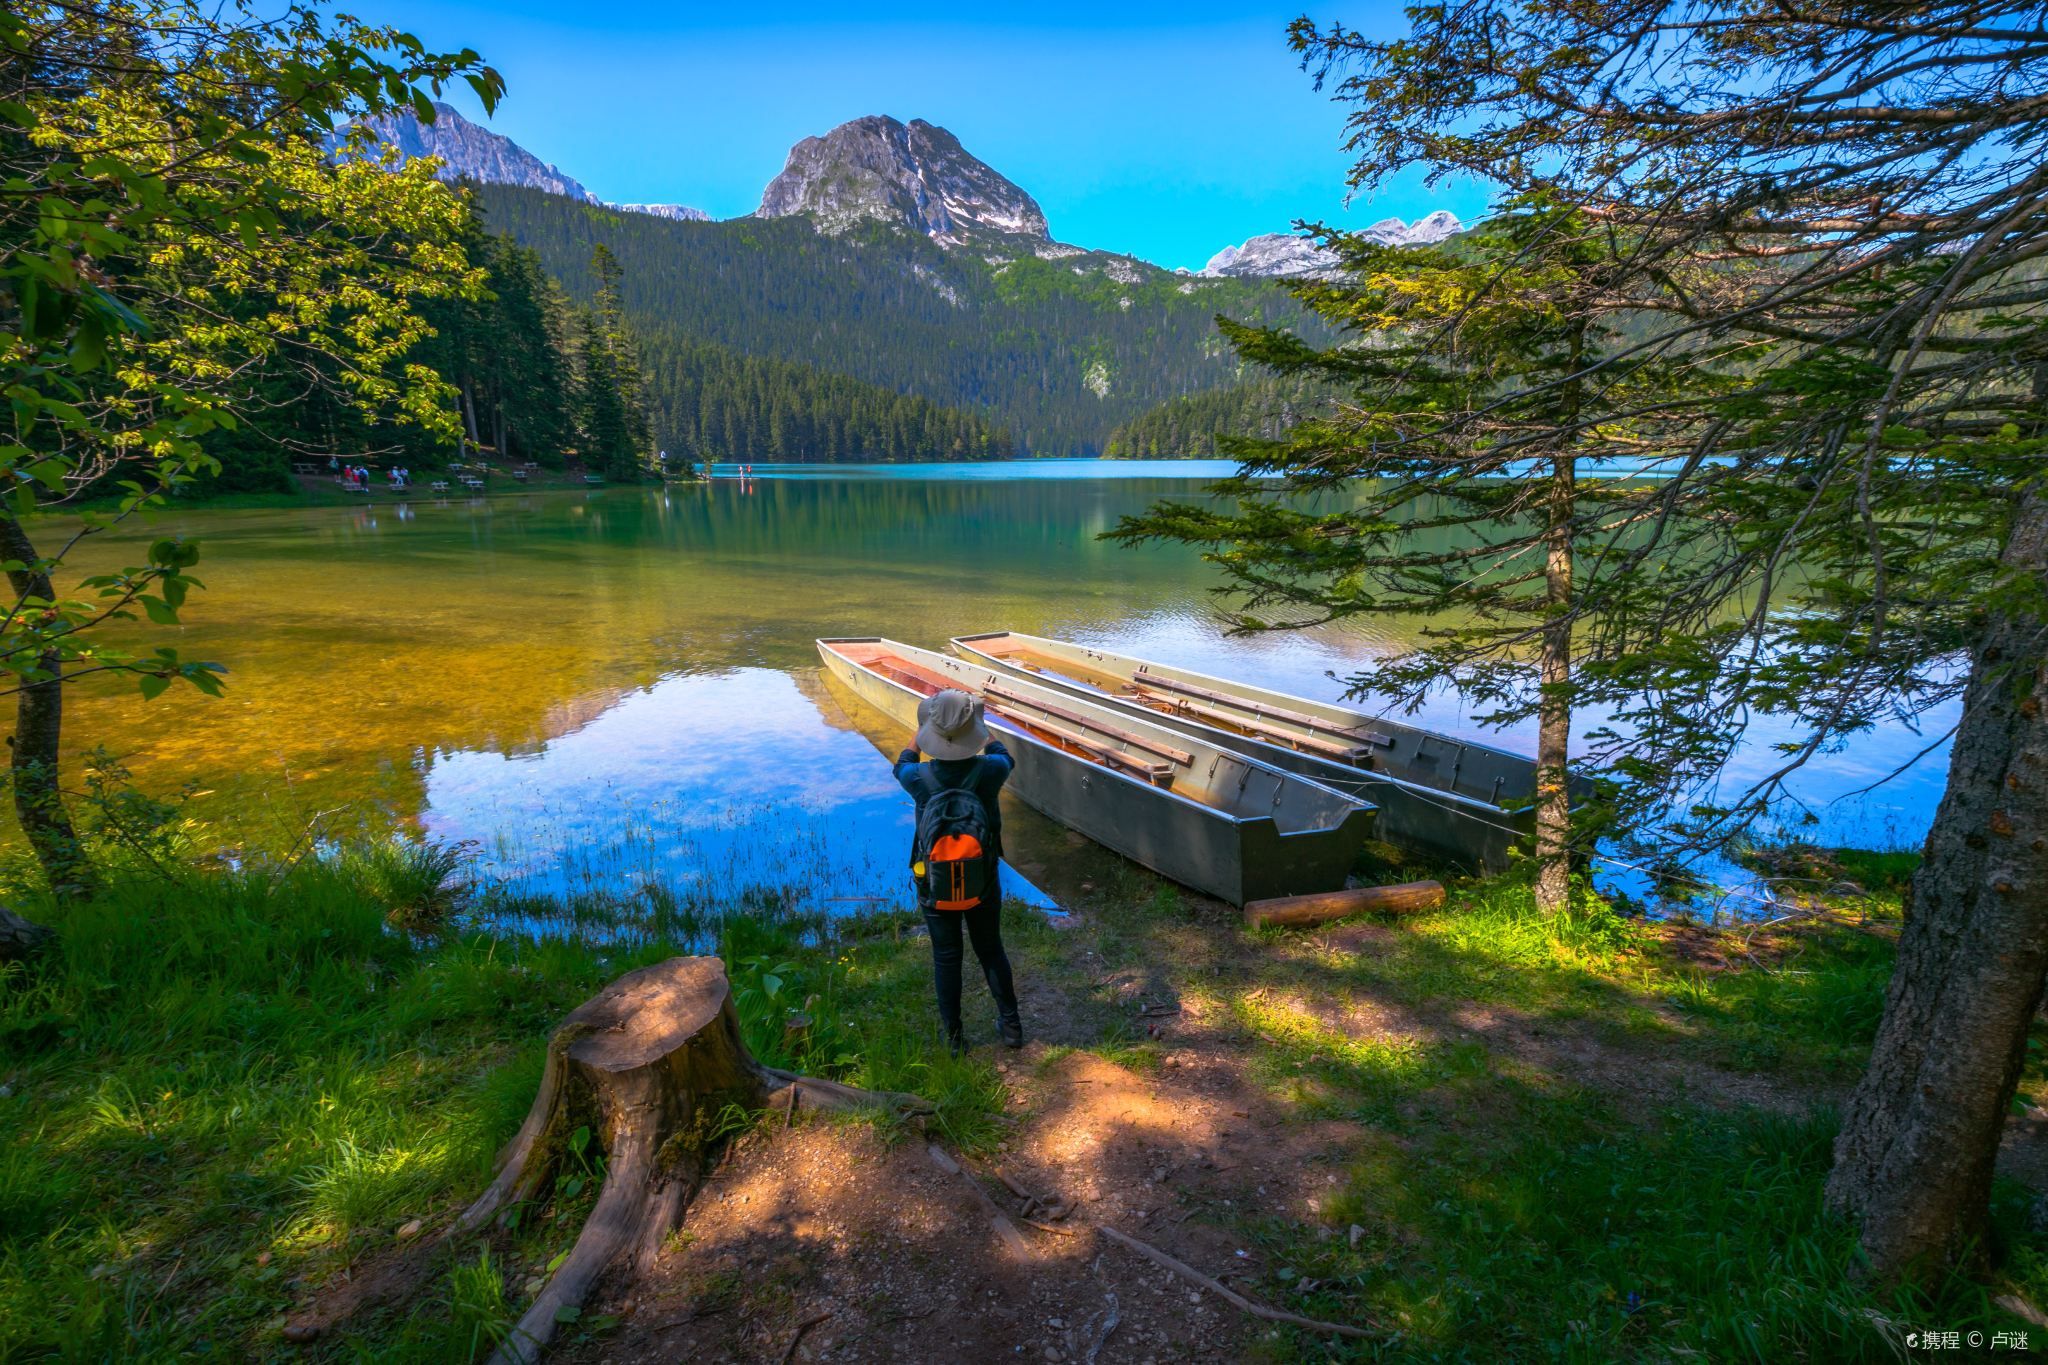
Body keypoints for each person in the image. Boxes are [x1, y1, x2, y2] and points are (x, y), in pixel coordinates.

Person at [894, 688, 1023, 1055]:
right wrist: (982, 728)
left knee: (947, 956)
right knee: (990, 949)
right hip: (982, 879)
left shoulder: (918, 778)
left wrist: (921, 733)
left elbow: (901, 762)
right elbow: (1002, 755)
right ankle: (1011, 1026)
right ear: (975, 733)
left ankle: (955, 1040)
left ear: (931, 733)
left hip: (934, 882)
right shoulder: (991, 771)